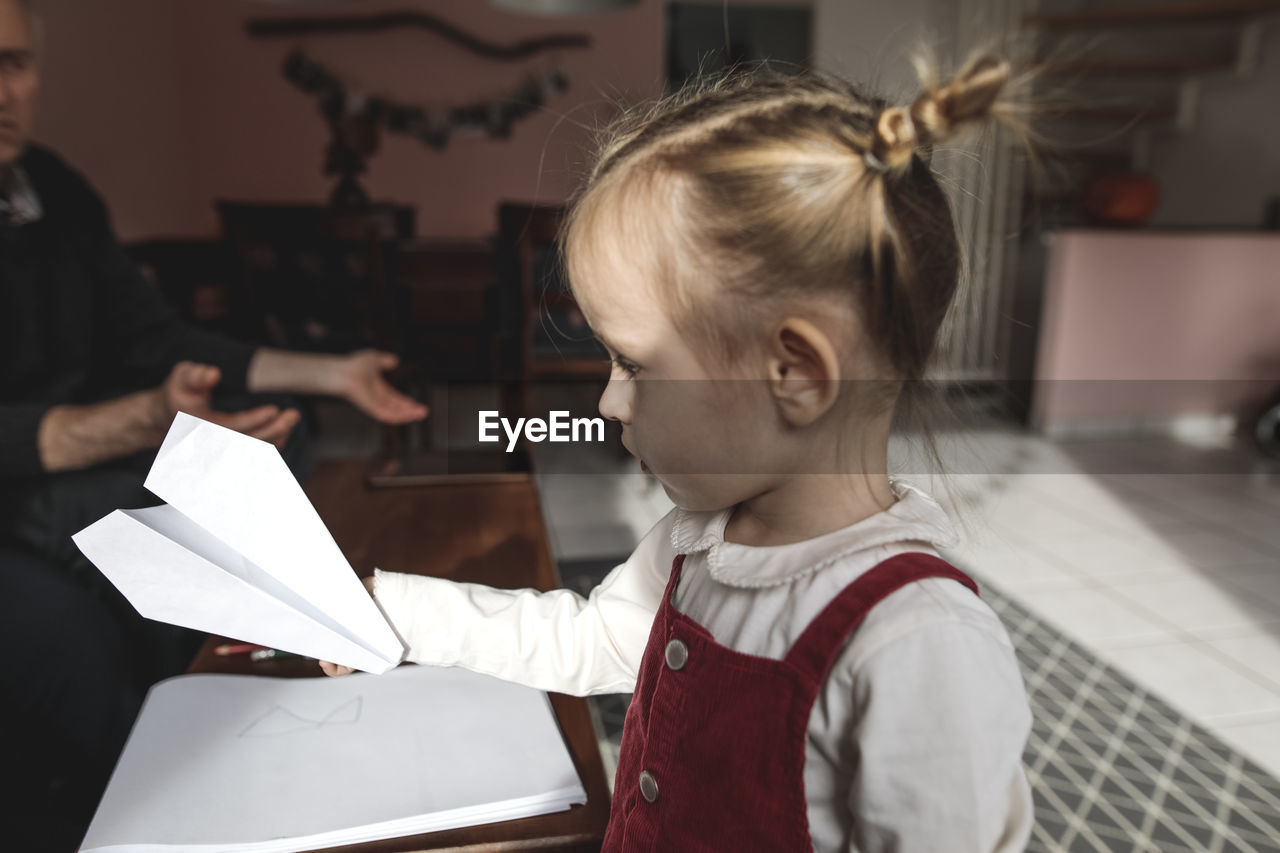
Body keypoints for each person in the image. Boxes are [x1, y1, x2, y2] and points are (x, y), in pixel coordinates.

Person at [323, 55, 1033, 851]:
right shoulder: (702, 538)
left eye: (633, 363)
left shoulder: (916, 642)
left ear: (795, 373)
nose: (607, 401)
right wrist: (397, 612)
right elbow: (593, 640)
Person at [0, 0, 426, 846]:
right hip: (24, 496)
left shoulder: (54, 188)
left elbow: (163, 341)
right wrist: (145, 420)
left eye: (12, 62)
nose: (0, 90)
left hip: (80, 474)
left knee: (279, 439)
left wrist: (333, 372)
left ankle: (260, 721)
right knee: (79, 632)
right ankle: (165, 813)